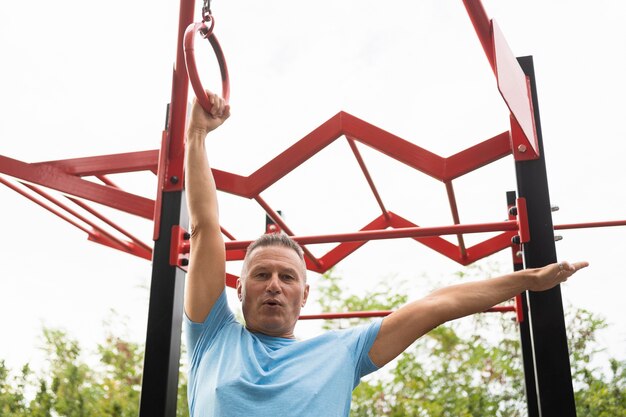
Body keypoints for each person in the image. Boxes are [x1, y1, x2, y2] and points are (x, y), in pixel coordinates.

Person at [183, 93, 588, 417]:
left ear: (304, 295)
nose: (274, 285)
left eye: (287, 278)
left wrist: (528, 281)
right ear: (238, 287)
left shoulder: (341, 353)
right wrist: (196, 136)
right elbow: (204, 227)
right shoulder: (212, 336)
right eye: (261, 275)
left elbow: (437, 305)